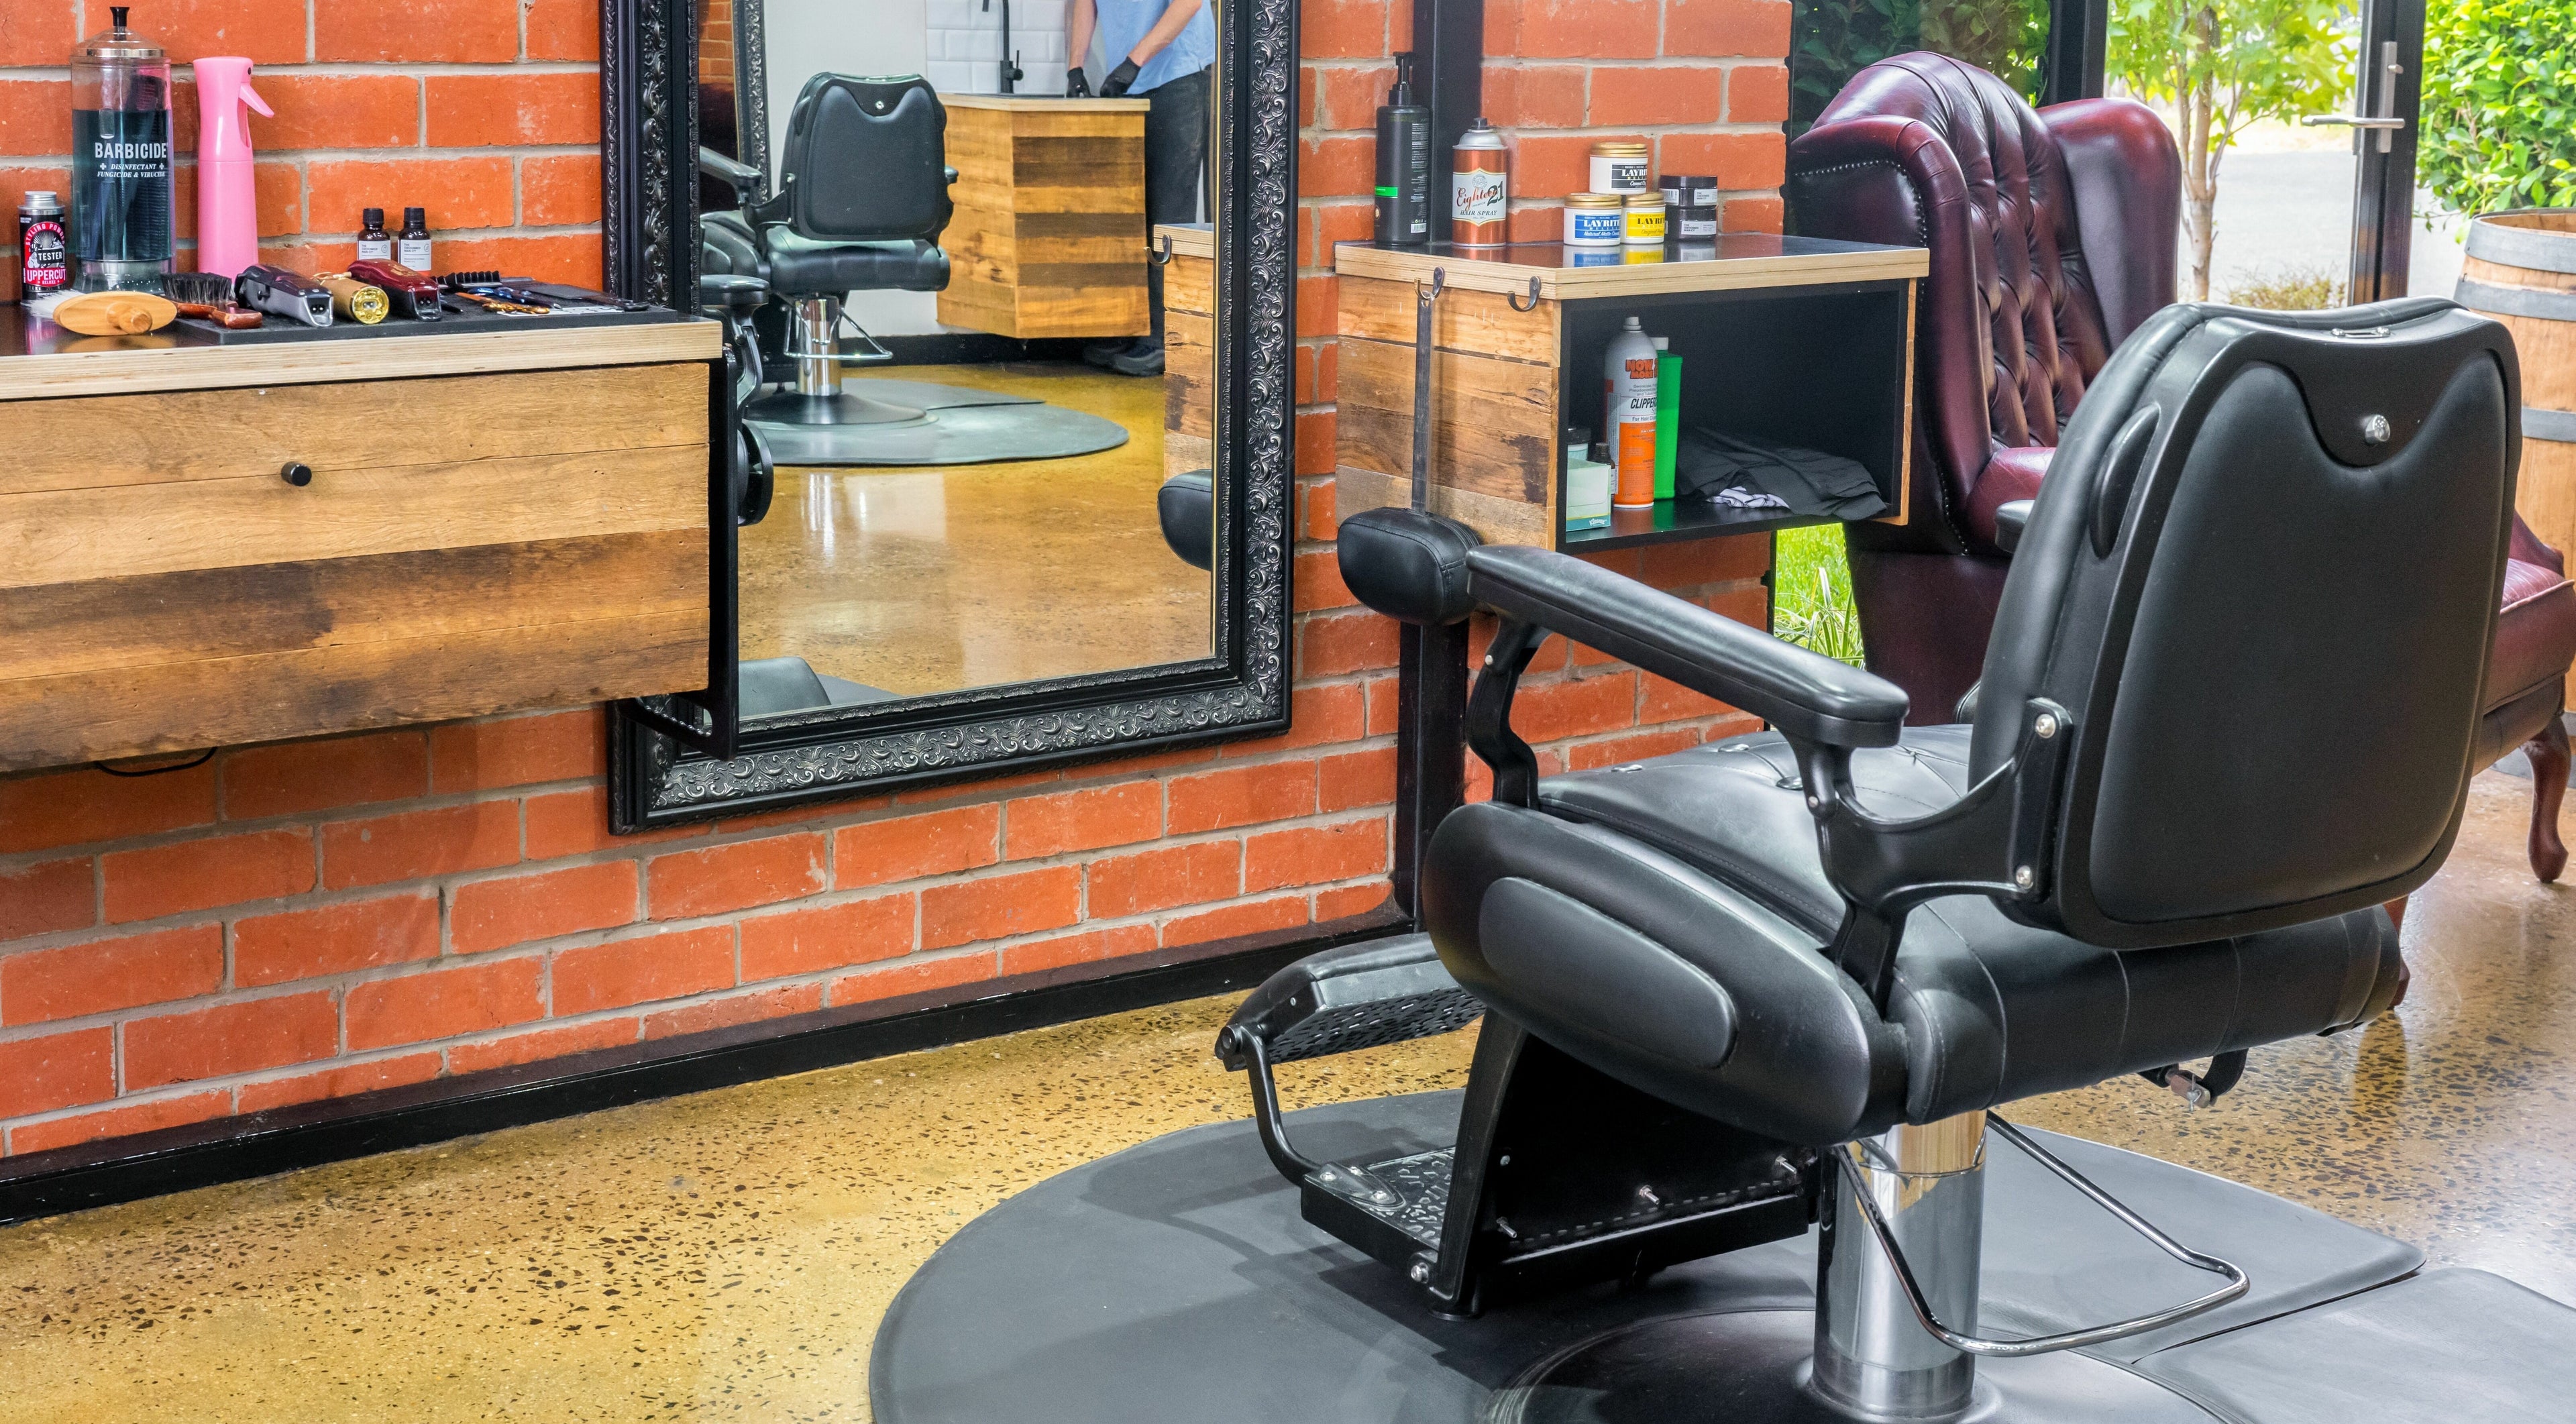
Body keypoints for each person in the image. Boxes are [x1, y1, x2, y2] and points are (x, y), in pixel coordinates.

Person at [1067, 0, 1212, 377]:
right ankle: (1130, 326)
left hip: (1177, 76)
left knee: (1169, 212)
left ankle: (1166, 339)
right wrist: (1075, 67)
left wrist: (1136, 60)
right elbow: (1086, 3)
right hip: (1128, 81)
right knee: (1129, 213)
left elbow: (1190, 4)